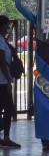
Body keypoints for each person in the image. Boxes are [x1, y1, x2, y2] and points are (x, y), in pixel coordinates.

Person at [0, 15, 20, 148]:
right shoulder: (1, 41)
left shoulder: (2, 40)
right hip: (1, 81)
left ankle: (5, 137)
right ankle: (6, 138)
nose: (7, 29)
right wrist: (8, 80)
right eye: (6, 26)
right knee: (9, 108)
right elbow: (1, 61)